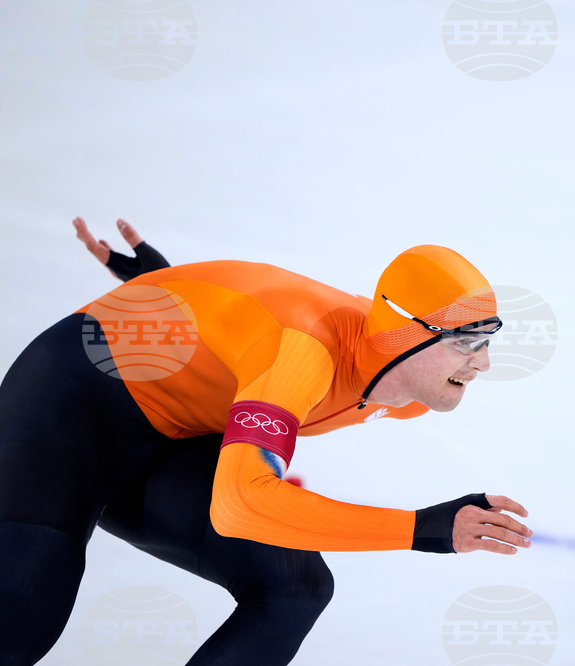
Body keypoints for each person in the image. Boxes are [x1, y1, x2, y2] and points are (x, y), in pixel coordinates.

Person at [0, 219, 532, 665]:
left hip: (180, 432)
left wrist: (171, 294)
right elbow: (242, 503)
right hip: (73, 404)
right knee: (22, 611)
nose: (484, 362)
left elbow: (250, 313)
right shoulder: (302, 353)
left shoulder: (411, 389)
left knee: (294, 587)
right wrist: (419, 529)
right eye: (467, 341)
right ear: (408, 335)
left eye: (488, 339)